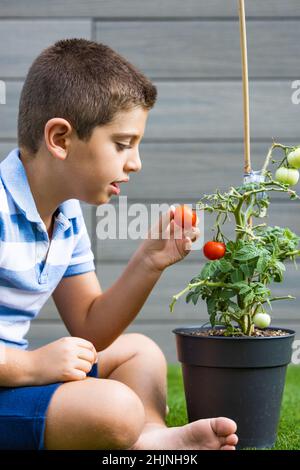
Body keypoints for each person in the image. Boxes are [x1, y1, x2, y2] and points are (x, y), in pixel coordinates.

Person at [0, 39, 238, 450]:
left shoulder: (66, 215)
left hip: (17, 377)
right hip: (13, 373)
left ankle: (148, 437)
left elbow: (91, 327)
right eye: (123, 144)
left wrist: (149, 261)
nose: (136, 162)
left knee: (140, 353)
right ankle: (132, 432)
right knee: (114, 407)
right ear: (60, 138)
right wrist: (29, 366)